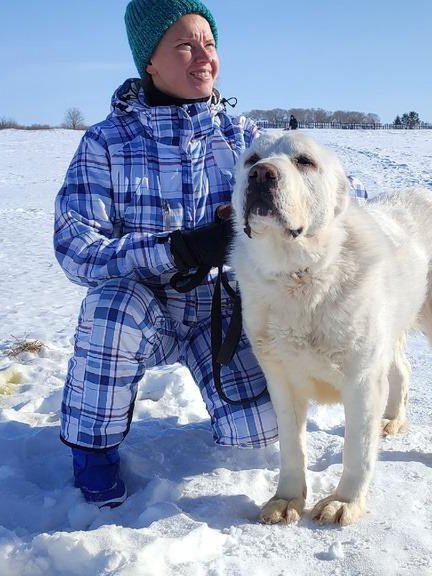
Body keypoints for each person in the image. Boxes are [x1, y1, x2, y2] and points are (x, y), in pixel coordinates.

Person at [54, 0, 279, 508]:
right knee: (111, 312)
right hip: (143, 309)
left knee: (259, 430)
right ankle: (93, 449)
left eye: (209, 43)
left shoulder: (242, 138)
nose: (203, 56)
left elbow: (322, 186)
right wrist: (176, 249)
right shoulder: (106, 143)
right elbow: (76, 246)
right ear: (149, 62)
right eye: (185, 44)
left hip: (219, 312)